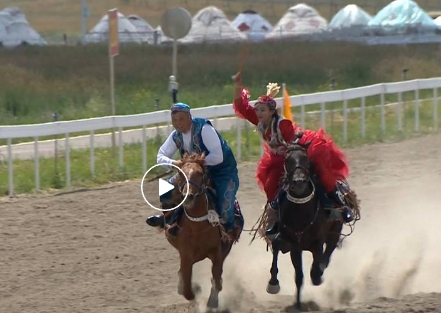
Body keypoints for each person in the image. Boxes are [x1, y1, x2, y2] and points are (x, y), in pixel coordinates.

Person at [231, 72, 355, 239]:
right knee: (270, 185)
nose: (258, 113)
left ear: (271, 111)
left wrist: (295, 160)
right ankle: (275, 219)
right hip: (278, 158)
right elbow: (241, 107)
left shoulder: (283, 125)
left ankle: (339, 205)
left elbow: (294, 145)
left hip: (299, 150)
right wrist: (237, 86)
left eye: (262, 110)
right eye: (257, 110)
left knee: (321, 175)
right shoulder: (261, 120)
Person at [146, 102, 240, 236]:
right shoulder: (176, 135)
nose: (178, 123)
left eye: (181, 119)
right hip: (193, 174)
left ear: (189, 117)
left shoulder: (204, 129)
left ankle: (229, 229)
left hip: (221, 172)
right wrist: (175, 163)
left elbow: (218, 156)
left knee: (225, 204)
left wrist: (196, 163)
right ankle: (167, 219)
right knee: (166, 187)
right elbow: (160, 156)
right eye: (175, 120)